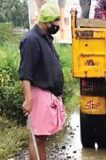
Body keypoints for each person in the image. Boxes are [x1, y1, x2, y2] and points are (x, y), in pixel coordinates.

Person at [19, 2, 66, 159]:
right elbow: (25, 73)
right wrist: (28, 99)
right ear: (46, 21)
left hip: (47, 94)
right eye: (55, 21)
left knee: (42, 138)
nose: (57, 25)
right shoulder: (31, 40)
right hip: (38, 94)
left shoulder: (45, 38)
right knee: (37, 137)